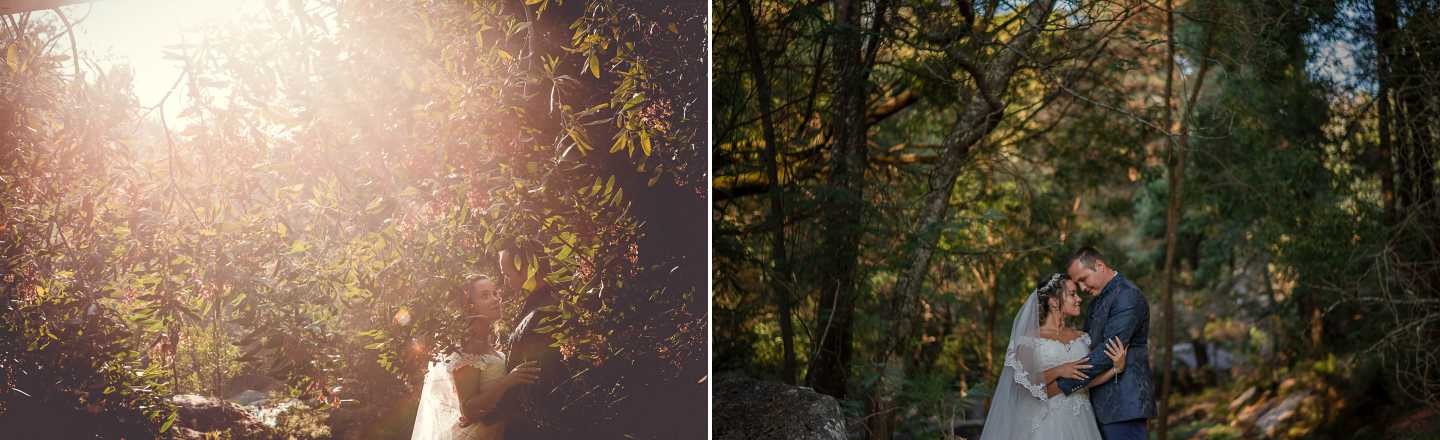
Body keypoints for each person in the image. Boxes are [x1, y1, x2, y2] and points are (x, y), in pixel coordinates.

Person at [979, 272, 1129, 440]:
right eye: (1072, 294)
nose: (1079, 299)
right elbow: (1024, 387)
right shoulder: (1029, 340)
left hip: (1081, 419)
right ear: (1053, 301)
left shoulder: (1082, 337)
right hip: (1045, 422)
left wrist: (1115, 368)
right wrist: (1059, 370)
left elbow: (1085, 379)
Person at [411, 275, 541, 440]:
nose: (495, 299)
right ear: (470, 307)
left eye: (495, 293)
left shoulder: (490, 345)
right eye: (485, 296)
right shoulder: (467, 349)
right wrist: (508, 380)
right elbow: (469, 411)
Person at [1055, 247, 1157, 440]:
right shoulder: (1097, 300)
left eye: (1083, 279)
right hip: (1095, 404)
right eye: (1078, 283)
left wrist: (1061, 384)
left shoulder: (1128, 296)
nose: (1082, 288)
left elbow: (1107, 351)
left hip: (1123, 406)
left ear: (1099, 266)